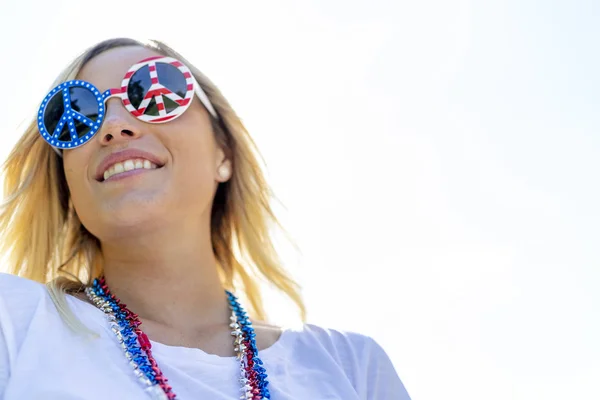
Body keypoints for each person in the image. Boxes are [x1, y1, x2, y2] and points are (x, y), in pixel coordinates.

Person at [0, 38, 410, 400]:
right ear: (68, 186)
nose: (114, 125)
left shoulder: (351, 368)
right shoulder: (14, 324)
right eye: (75, 114)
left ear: (223, 154)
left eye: (154, 91)